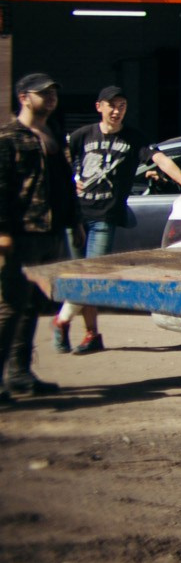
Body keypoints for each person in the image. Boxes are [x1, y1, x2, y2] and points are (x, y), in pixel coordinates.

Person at [55, 85, 181, 353]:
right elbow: (61, 164)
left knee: (91, 274)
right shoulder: (82, 136)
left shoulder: (133, 138)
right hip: (77, 215)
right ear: (99, 106)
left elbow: (161, 160)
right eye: (111, 105)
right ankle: (91, 334)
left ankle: (62, 320)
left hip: (105, 215)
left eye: (122, 106)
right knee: (80, 274)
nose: (116, 111)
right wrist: (69, 184)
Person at [0, 73, 80, 402]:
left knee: (33, 306)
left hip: (49, 233)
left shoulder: (52, 135)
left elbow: (63, 186)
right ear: (23, 97)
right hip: (21, 234)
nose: (49, 98)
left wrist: (73, 222)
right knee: (9, 307)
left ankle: (19, 374)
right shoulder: (8, 136)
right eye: (42, 93)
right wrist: (3, 232)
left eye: (52, 93)